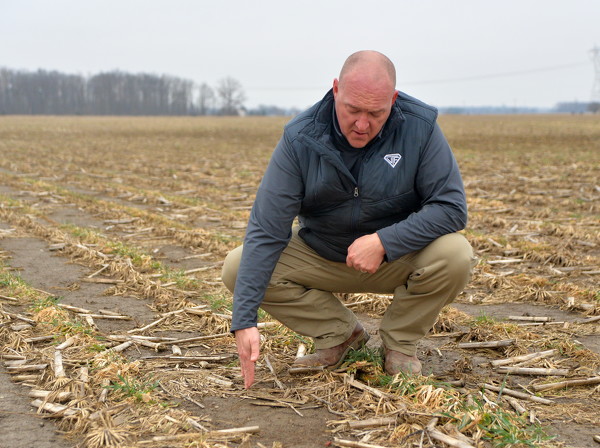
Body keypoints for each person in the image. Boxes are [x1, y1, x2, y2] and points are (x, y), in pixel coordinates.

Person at [222, 50, 475, 389]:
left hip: (396, 257)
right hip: (322, 253)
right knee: (238, 268)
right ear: (336, 90)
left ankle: (399, 345)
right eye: (353, 110)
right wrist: (244, 321)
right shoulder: (301, 138)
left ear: (393, 100)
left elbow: (451, 207)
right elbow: (267, 229)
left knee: (456, 254)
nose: (362, 124)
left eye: (376, 113)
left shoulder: (420, 128)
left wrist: (385, 241)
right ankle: (341, 336)